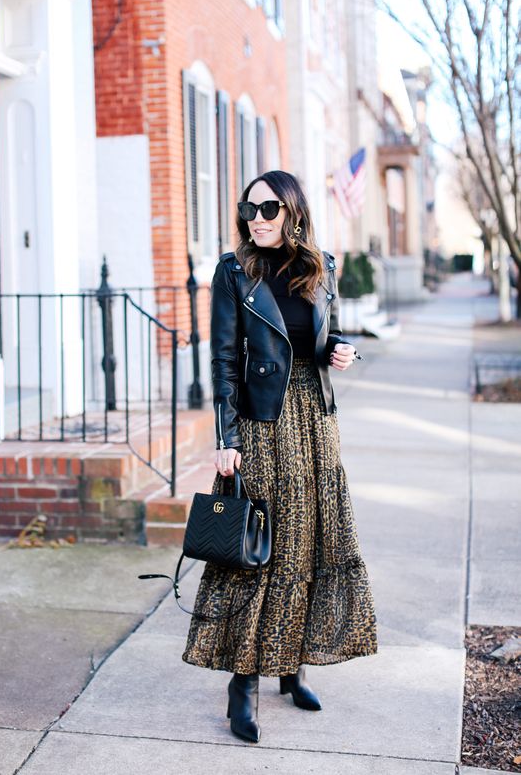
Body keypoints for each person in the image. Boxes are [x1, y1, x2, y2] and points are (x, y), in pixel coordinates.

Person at [181, 170, 378, 743]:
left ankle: (292, 668)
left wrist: (339, 349)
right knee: (259, 551)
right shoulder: (234, 270)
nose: (257, 219)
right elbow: (222, 358)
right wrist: (225, 438)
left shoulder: (323, 267)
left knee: (308, 544)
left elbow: (323, 337)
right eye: (250, 209)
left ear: (293, 211)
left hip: (315, 423)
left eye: (269, 209)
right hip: (262, 422)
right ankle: (242, 683)